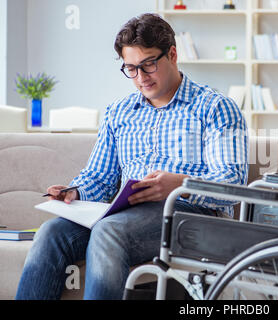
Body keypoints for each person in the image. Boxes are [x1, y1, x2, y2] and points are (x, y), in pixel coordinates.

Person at [15, 13, 248, 300]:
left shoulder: (215, 107)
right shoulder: (119, 112)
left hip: (190, 219)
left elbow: (233, 186)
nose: (140, 78)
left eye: (148, 65)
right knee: (51, 233)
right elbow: (99, 177)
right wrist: (73, 191)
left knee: (109, 232)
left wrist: (178, 184)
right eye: (131, 69)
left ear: (172, 54)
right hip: (123, 214)